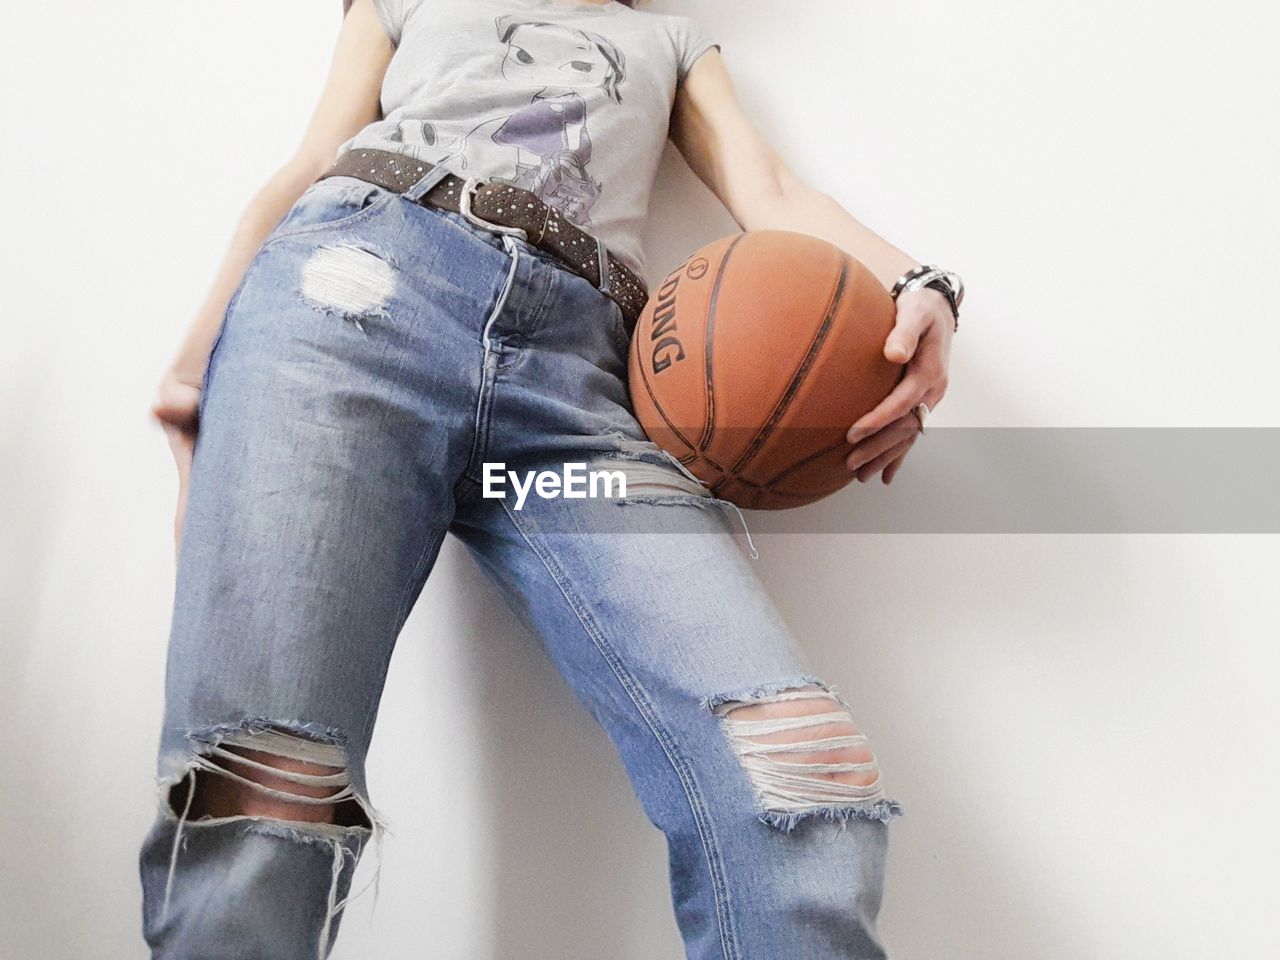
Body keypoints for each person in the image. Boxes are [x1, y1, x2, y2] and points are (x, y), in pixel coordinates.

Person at [141, 1, 962, 958]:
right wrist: (197, 374)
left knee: (795, 771)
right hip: (349, 301)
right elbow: (310, 157)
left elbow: (772, 190)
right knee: (264, 785)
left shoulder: (669, 41)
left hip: (579, 395)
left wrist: (922, 289)